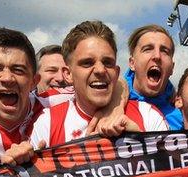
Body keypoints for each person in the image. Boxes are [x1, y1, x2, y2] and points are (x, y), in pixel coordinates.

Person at [28, 20, 167, 148]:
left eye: (107, 62)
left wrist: (142, 142)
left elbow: (175, 171)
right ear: (68, 74)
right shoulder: (47, 123)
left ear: (117, 72)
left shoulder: (149, 116)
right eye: (87, 63)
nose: (100, 70)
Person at [125, 24, 182, 130]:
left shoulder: (180, 118)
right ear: (132, 63)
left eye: (164, 51)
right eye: (147, 49)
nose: (157, 56)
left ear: (172, 68)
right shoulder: (111, 102)